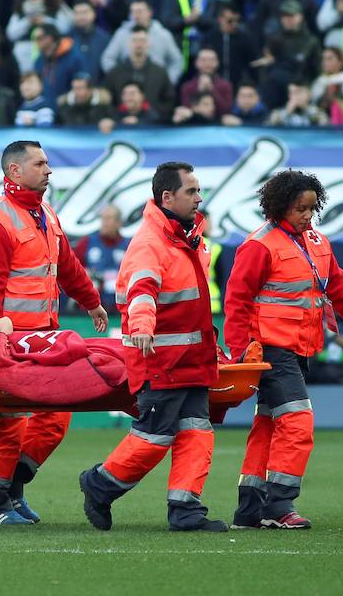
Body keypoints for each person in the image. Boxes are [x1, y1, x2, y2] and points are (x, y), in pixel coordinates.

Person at [224, 169, 343, 530]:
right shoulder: (260, 245)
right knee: (298, 422)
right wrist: (239, 353)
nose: (307, 216)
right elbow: (237, 301)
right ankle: (279, 506)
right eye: (301, 209)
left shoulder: (316, 241)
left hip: (299, 348)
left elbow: (340, 289)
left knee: (268, 426)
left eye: (312, 209)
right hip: (269, 350)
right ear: (281, 206)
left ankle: (250, 510)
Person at [79, 161, 227, 533]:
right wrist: (143, 326)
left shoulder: (185, 236)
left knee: (197, 430)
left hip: (189, 359)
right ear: (167, 197)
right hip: (161, 359)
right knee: (154, 436)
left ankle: (185, 510)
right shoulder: (151, 242)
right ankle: (99, 484)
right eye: (191, 191)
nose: (199, 197)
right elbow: (141, 291)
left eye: (198, 190)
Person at [0, 140, 108, 525]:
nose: (49, 170)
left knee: (57, 414)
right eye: (40, 163)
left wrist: (91, 300)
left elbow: (67, 264)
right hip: (9, 341)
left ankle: (10, 488)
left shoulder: (43, 211)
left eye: (48, 163)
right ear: (14, 172)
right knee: (8, 419)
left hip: (45, 337)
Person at [100, 0, 184, 84]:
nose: (135, 16)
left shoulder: (163, 35)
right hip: (128, 87)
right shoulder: (122, 33)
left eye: (139, 11)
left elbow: (177, 61)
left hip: (155, 85)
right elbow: (108, 58)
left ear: (150, 13)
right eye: (133, 12)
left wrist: (167, 81)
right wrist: (118, 79)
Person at [103, 26, 175, 122]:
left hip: (152, 128)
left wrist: (151, 116)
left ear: (149, 44)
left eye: (142, 41)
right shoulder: (115, 72)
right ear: (128, 44)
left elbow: (169, 101)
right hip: (121, 126)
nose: (138, 44)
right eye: (135, 40)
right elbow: (108, 101)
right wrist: (119, 118)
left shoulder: (160, 72)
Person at [72, 204, 129, 313]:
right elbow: (72, 268)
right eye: (102, 218)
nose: (104, 223)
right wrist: (85, 273)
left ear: (118, 223)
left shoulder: (128, 246)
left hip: (120, 308)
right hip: (91, 308)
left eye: (108, 219)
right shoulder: (87, 242)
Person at [33, 23, 86, 103]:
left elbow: (82, 85)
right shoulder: (39, 61)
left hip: (67, 107)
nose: (36, 42)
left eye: (39, 38)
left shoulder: (74, 58)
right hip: (45, 109)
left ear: (49, 38)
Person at [179, 47, 234, 117]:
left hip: (219, 125)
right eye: (203, 60)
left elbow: (227, 111)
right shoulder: (187, 86)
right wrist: (198, 91)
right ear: (196, 63)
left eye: (211, 60)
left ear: (217, 62)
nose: (207, 63)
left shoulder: (226, 86)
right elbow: (186, 110)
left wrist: (212, 91)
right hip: (194, 124)